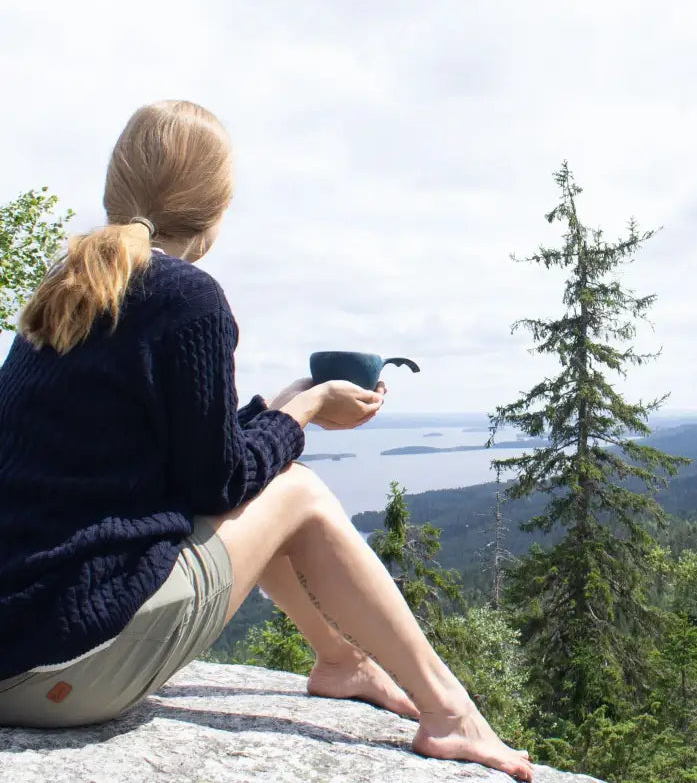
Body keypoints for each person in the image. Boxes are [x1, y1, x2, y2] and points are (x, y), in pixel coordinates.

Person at [0, 100, 533, 782]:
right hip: (64, 668)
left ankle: (342, 662)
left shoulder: (66, 292)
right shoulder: (187, 297)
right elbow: (219, 487)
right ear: (217, 210)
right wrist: (307, 407)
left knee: (272, 483)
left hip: (16, 646)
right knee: (299, 493)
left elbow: (196, 467)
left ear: (117, 188)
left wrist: (277, 408)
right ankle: (451, 716)